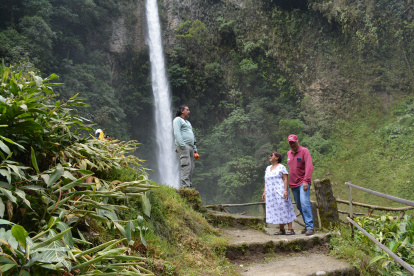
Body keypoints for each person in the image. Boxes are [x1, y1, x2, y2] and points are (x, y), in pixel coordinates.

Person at [262, 152, 297, 235]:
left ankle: (290, 228)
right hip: (271, 193)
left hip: (280, 190)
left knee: (285, 207)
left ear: (277, 157)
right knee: (277, 209)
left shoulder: (281, 167)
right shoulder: (268, 168)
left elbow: (285, 179)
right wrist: (264, 192)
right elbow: (266, 181)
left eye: (272, 155)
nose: (270, 157)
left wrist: (285, 190)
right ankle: (281, 229)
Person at [287, 134, 314, 236]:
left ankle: (310, 227)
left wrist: (306, 180)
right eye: (290, 143)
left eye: (293, 142)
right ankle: (307, 226)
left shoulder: (304, 151)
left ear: (297, 141)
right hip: (293, 184)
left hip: (303, 183)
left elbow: (309, 166)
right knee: (299, 205)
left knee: (304, 202)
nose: (292, 144)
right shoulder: (288, 154)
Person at [173, 105, 198, 188]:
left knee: (191, 167)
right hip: (184, 146)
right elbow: (177, 133)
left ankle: (189, 186)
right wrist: (182, 145)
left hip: (190, 147)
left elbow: (192, 136)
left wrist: (195, 149)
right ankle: (185, 187)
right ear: (182, 111)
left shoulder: (188, 122)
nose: (189, 111)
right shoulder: (177, 120)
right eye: (187, 110)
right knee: (186, 165)